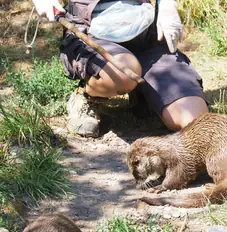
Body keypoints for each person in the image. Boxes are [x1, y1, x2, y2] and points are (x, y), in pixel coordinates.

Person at [31, 0, 208, 137]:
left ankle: (142, 94)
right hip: (91, 32)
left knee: (193, 120)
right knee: (123, 73)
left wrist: (167, 5)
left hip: (146, 34)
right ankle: (88, 98)